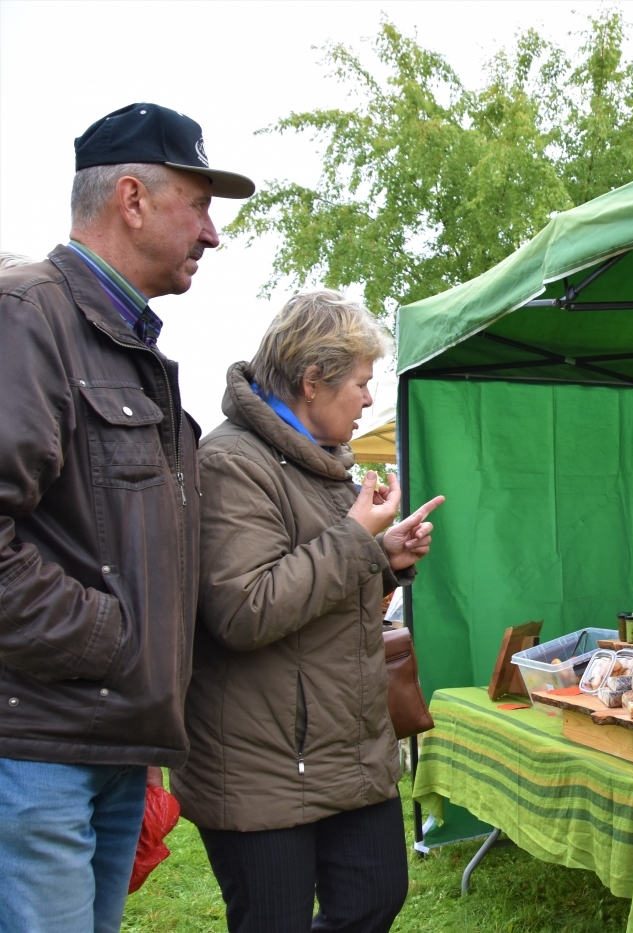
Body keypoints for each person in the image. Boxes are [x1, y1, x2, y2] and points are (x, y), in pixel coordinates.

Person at [0, 104, 253, 933]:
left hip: (109, 746)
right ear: (133, 198)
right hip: (38, 748)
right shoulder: (28, 316)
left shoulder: (130, 346)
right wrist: (113, 640)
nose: (212, 234)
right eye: (200, 203)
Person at [170, 290, 444, 933]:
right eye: (360, 382)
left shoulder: (323, 466)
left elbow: (320, 585)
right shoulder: (231, 463)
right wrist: (355, 540)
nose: (369, 399)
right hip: (261, 759)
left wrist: (382, 554)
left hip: (344, 747)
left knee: (374, 898)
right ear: (312, 382)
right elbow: (242, 609)